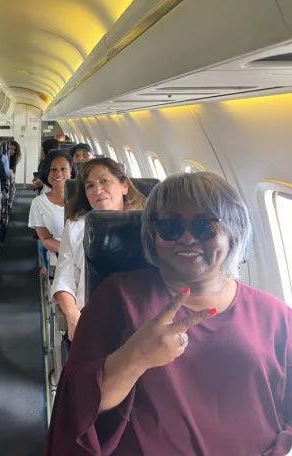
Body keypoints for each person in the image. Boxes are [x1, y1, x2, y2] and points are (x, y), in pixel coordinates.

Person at [47, 172, 292, 455]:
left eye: (205, 226)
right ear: (154, 235)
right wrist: (135, 357)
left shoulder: (276, 316)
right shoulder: (119, 297)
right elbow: (77, 410)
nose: (187, 238)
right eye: (170, 227)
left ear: (233, 232)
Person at [51, 158, 146, 341]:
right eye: (90, 186)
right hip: (89, 319)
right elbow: (65, 278)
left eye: (104, 181)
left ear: (124, 186)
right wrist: (72, 316)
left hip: (140, 324)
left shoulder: (147, 227)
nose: (97, 190)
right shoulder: (75, 227)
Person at [28, 150, 72, 256]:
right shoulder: (38, 203)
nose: (58, 173)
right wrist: (72, 253)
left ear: (71, 171)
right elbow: (45, 238)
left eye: (63, 169)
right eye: (53, 170)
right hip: (61, 254)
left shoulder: (85, 198)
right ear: (47, 173)